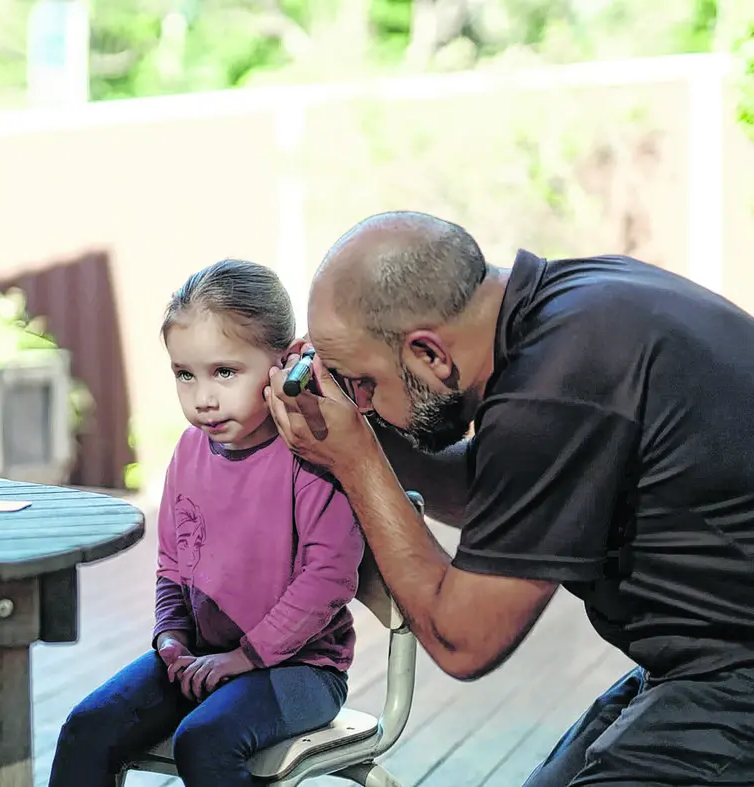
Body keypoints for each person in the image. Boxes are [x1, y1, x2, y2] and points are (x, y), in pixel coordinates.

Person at [265, 209, 754, 785]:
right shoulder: (576, 305)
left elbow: (463, 640)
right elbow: (501, 496)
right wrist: (354, 430)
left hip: (731, 674)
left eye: (365, 382)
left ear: (429, 353)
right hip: (707, 661)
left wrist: (358, 459)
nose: (363, 402)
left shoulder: (556, 389)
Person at [48, 259, 364, 787]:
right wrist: (170, 635)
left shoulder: (311, 454)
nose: (203, 398)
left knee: (206, 741)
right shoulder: (190, 452)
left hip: (302, 671)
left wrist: (244, 658)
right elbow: (174, 563)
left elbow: (329, 577)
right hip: (203, 659)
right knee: (87, 729)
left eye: (224, 372)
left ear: (283, 362)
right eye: (184, 375)